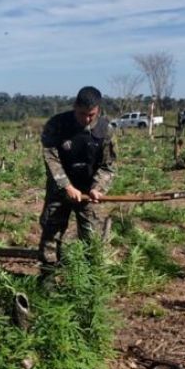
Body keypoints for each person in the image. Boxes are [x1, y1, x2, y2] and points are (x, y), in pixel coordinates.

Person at [38, 86, 116, 276]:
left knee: (92, 236)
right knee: (51, 234)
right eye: (82, 114)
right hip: (60, 189)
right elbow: (51, 158)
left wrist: (98, 188)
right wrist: (66, 186)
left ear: (98, 110)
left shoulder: (106, 130)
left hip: (88, 191)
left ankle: (90, 280)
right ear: (74, 106)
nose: (87, 119)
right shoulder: (56, 125)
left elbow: (108, 165)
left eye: (92, 115)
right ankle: (48, 277)